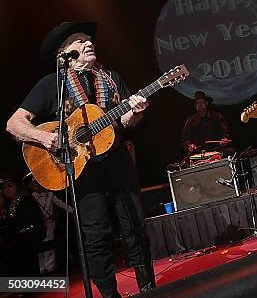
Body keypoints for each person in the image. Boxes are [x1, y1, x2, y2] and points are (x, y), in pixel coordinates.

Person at [5, 21, 155, 298]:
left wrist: (135, 111)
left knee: (135, 226)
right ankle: (109, 294)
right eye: (79, 40)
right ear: (64, 52)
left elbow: (125, 121)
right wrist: (44, 138)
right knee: (96, 236)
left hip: (117, 161)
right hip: (79, 168)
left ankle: (148, 287)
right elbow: (14, 123)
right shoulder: (52, 85)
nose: (88, 43)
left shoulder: (111, 78)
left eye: (89, 39)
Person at [24, 174, 74, 274]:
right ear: (31, 187)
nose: (37, 187)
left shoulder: (50, 195)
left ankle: (50, 265)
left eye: (38, 184)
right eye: (34, 185)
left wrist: (72, 210)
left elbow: (60, 203)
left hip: (50, 224)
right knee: (40, 246)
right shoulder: (32, 198)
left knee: (50, 244)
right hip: (39, 225)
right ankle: (42, 267)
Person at [0, 177, 45, 276]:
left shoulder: (27, 200)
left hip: (28, 236)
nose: (7, 190)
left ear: (17, 186)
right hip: (14, 239)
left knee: (18, 251)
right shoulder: (6, 205)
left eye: (10, 186)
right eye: (4, 188)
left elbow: (28, 221)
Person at [181, 91, 234, 157]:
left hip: (217, 149)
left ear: (206, 103)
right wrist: (189, 145)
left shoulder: (216, 116)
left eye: (201, 102)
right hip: (199, 152)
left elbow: (225, 132)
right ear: (195, 106)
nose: (199, 104)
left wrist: (224, 139)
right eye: (197, 103)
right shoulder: (191, 120)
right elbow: (185, 137)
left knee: (230, 152)